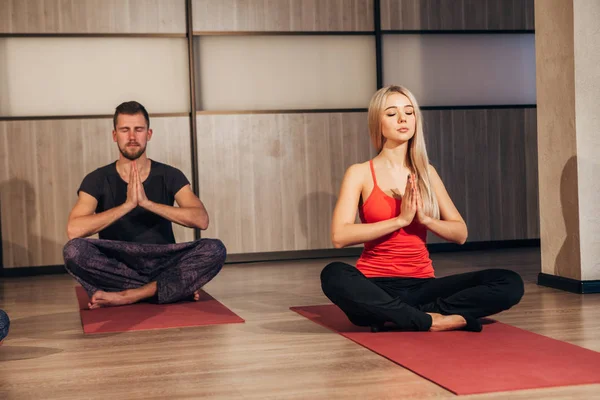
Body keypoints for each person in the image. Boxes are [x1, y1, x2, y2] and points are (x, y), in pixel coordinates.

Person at [320, 86, 524, 332]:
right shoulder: (360, 173)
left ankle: (398, 315)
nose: (403, 118)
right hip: (374, 285)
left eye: (409, 112)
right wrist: (400, 220)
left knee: (509, 282)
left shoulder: (427, 173)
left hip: (423, 286)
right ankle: (430, 319)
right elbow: (339, 236)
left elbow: (460, 234)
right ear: (378, 122)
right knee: (333, 274)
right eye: (391, 113)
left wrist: (426, 219)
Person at [63, 101, 226, 309]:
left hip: (164, 261)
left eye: (138, 129)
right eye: (125, 130)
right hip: (119, 265)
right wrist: (127, 205)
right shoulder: (96, 179)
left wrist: (147, 203)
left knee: (214, 249)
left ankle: (132, 295)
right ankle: (169, 288)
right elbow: (73, 230)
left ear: (148, 134)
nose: (132, 137)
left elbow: (201, 220)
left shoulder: (170, 174)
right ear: (115, 135)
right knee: (73, 251)